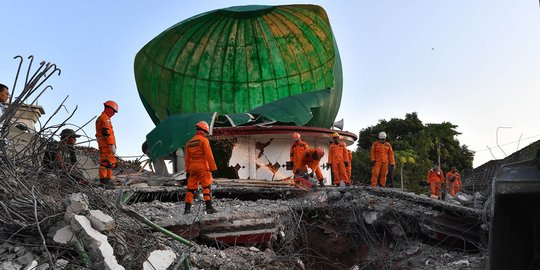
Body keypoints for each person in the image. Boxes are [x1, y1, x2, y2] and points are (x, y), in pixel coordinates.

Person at [184, 120, 218, 215]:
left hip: (192, 167)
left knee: (190, 189)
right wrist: (213, 168)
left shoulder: (189, 142)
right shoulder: (204, 140)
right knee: (206, 187)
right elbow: (209, 155)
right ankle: (209, 207)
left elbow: (187, 159)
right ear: (204, 130)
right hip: (202, 167)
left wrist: (187, 170)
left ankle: (187, 209)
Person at [95, 100, 118, 189]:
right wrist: (111, 144)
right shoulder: (105, 118)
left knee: (110, 163)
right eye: (114, 112)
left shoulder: (102, 118)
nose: (114, 114)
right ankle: (104, 182)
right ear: (109, 109)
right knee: (105, 163)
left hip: (105, 145)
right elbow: (107, 132)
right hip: (106, 146)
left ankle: (107, 181)